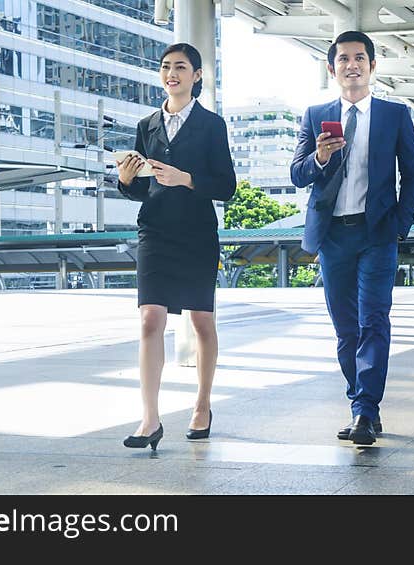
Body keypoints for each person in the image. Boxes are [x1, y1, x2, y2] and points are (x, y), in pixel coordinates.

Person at [291, 31, 414, 445]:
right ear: (332, 69)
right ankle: (361, 402)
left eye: (360, 58)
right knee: (345, 327)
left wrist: (400, 224)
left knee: (373, 321)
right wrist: (320, 156)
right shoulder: (315, 115)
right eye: (344, 59)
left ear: (372, 66)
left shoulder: (394, 114)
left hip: (376, 234)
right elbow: (297, 175)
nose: (352, 65)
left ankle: (365, 410)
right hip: (333, 236)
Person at [116, 43, 236, 450]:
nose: (172, 73)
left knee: (202, 321)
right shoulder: (147, 124)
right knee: (150, 318)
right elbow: (140, 192)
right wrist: (127, 179)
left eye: (181, 67)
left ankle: (202, 405)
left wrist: (187, 179)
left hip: (197, 233)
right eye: (166, 67)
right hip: (155, 231)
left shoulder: (212, 125)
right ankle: (149, 418)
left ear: (196, 76)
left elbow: (227, 187)